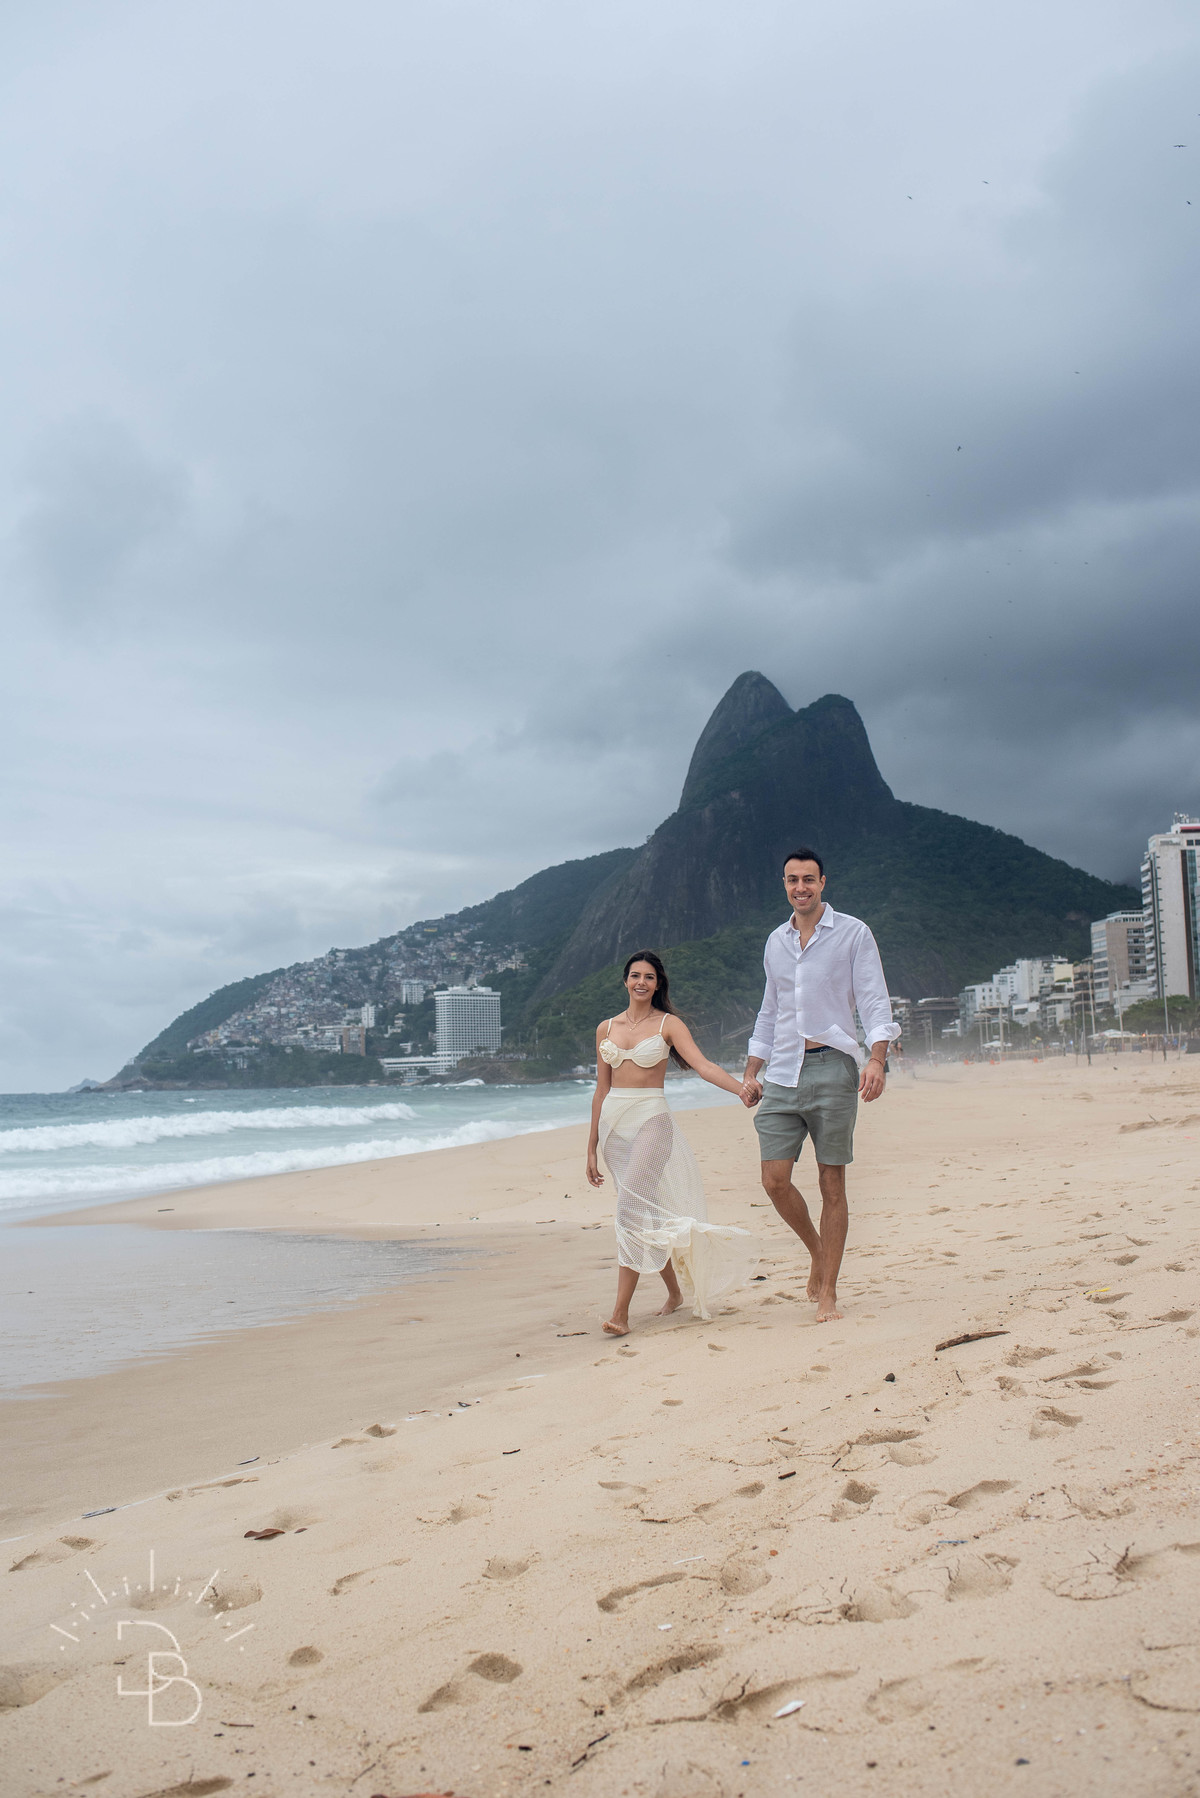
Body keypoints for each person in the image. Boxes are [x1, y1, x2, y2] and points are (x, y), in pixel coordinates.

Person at [740, 849, 899, 1323]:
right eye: (792, 880)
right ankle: (817, 1250)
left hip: (833, 1066)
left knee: (832, 1182)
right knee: (774, 1179)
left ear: (823, 882)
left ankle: (828, 1291)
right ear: (784, 884)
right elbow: (769, 1011)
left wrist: (876, 1059)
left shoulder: (853, 933)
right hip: (783, 1069)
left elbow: (874, 1001)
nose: (800, 887)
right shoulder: (776, 941)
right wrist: (751, 1070)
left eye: (809, 879)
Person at [586, 950, 757, 1336]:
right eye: (635, 976)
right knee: (647, 1213)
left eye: (649, 976)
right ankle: (674, 1292)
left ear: (658, 983)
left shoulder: (668, 1024)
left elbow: (703, 1065)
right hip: (615, 1128)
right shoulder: (605, 1028)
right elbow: (601, 1090)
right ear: (625, 981)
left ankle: (620, 1314)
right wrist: (591, 1146)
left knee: (629, 1210)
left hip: (652, 1121)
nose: (641, 982)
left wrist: (740, 1089)